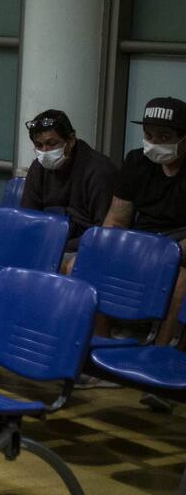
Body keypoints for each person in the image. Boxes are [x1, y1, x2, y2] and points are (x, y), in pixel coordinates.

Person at [103, 96, 186, 409]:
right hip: (142, 242)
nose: (154, 144)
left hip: (178, 247)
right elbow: (116, 218)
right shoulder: (137, 162)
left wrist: (162, 257)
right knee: (85, 264)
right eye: (149, 135)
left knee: (180, 282)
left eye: (164, 137)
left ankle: (162, 358)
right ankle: (102, 349)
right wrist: (110, 248)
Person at [21, 109, 117, 251]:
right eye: (39, 145)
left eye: (52, 144)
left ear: (71, 140)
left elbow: (103, 232)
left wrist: (56, 248)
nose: (45, 151)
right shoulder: (38, 168)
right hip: (45, 244)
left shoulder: (99, 171)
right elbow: (28, 218)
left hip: (84, 249)